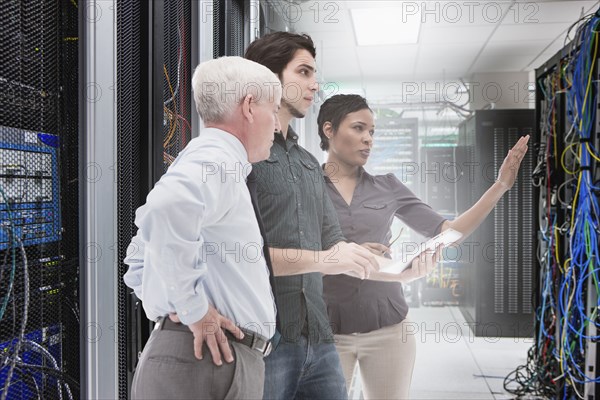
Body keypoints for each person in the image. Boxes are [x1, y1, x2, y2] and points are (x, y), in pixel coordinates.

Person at [317, 94, 530, 399]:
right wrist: (354, 254)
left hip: (388, 329)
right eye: (358, 128)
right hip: (326, 331)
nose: (368, 139)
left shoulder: (388, 186)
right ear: (329, 130)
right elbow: (301, 257)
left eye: (372, 132)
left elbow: (449, 233)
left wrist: (500, 187)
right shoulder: (307, 187)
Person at [122, 56, 283, 400]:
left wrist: (172, 303)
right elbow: (166, 210)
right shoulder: (217, 160)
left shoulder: (209, 159)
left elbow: (139, 260)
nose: (278, 126)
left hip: (199, 358)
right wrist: (192, 310)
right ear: (250, 106)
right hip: (206, 360)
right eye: (275, 110)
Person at [244, 32, 389, 400]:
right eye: (304, 72)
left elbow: (331, 239)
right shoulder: (244, 159)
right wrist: (327, 259)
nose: (315, 84)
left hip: (320, 341)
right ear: (269, 77)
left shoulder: (309, 164)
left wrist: (364, 257)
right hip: (266, 343)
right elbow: (243, 257)